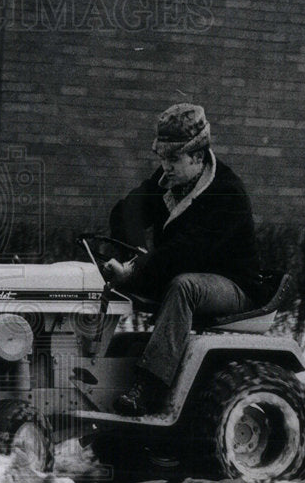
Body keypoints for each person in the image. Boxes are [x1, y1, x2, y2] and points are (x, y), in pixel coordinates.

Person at [104, 103, 265, 416]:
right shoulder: (171, 182)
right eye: (163, 158)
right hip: (188, 271)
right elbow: (126, 212)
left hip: (233, 284)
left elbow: (183, 255)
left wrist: (133, 270)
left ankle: (149, 388)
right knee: (176, 282)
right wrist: (126, 252)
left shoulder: (226, 194)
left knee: (184, 286)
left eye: (174, 158)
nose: (166, 166)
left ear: (199, 156)